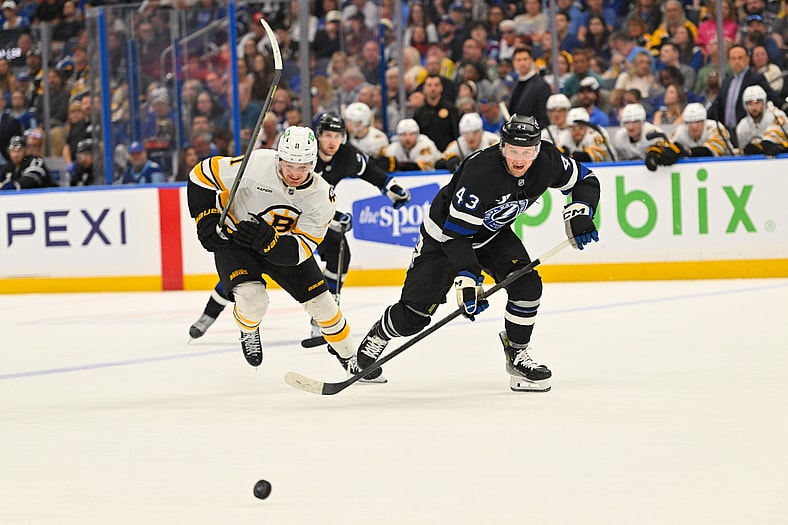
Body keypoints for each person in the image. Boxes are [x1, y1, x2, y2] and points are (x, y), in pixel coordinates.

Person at [350, 114, 600, 391]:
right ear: (502, 146)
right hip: (444, 239)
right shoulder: (480, 173)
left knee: (527, 285)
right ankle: (380, 334)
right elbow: (457, 236)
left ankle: (517, 354)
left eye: (527, 152)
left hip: (493, 235)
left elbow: (586, 180)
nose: (519, 160)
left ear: (537, 150)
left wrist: (581, 210)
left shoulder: (548, 161)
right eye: (513, 151)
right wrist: (468, 278)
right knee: (413, 318)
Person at [189, 114, 411, 351]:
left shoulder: (345, 158)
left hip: (296, 230)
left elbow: (367, 170)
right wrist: (205, 216)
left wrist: (389, 186)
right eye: (327, 135)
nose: (332, 141)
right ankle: (219, 316)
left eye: (337, 136)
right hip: (252, 224)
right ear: (318, 137)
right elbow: (202, 176)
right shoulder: (262, 164)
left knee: (339, 253)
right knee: (245, 283)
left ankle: (323, 315)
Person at [186, 126, 357, 370]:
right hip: (237, 240)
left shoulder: (322, 196)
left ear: (313, 162)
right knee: (252, 300)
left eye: (303, 166)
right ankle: (248, 329)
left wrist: (272, 242)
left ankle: (352, 359)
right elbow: (200, 175)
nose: (295, 173)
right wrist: (205, 218)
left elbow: (301, 250)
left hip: (283, 247)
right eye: (289, 165)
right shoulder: (256, 164)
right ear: (279, 158)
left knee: (324, 305)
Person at [644, 103, 734, 170]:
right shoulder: (681, 130)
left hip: (728, 169)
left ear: (704, 121)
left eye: (698, 121)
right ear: (685, 123)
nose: (694, 126)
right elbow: (668, 146)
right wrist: (655, 153)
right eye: (690, 122)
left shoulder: (716, 127)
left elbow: (712, 152)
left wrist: (685, 152)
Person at [436, 112, 501, 171]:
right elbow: (438, 162)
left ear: (481, 131)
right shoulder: (459, 143)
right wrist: (447, 162)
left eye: (475, 132)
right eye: (466, 133)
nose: (471, 137)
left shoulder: (494, 142)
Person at [736, 85, 788, 156]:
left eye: (757, 103)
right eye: (750, 104)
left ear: (764, 102)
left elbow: (771, 143)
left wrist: (760, 146)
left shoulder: (776, 116)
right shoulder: (742, 127)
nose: (754, 107)